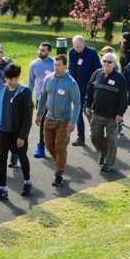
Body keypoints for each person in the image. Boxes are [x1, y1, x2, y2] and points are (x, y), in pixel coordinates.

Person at [37, 54, 82, 187]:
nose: (56, 67)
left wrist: (72, 122)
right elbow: (43, 97)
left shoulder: (71, 83)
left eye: (59, 65)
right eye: (54, 65)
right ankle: (60, 162)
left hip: (64, 120)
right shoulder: (48, 79)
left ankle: (59, 174)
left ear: (65, 66)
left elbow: (77, 103)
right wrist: (39, 114)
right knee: (49, 145)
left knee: (60, 146)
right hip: (49, 118)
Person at [85, 51, 129, 172]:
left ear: (114, 64)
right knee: (94, 137)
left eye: (109, 62)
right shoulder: (97, 73)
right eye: (104, 61)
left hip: (112, 116)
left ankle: (108, 163)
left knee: (112, 140)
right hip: (97, 113)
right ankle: (104, 152)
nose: (106, 63)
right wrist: (88, 106)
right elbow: (89, 91)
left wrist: (120, 114)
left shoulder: (120, 78)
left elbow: (123, 98)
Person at [0, 62, 33, 199]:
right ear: (5, 78)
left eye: (14, 78)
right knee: (2, 159)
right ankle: (1, 189)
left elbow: (28, 118)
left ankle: (28, 181)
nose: (11, 81)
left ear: (18, 77)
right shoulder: (2, 91)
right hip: (4, 131)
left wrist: (22, 136)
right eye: (8, 78)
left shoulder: (24, 92)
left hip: (19, 133)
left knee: (22, 157)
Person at [67, 35, 100, 147]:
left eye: (79, 47)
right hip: (76, 87)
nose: (77, 49)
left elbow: (98, 70)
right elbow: (71, 68)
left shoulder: (91, 53)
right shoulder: (71, 52)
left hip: (89, 87)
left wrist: (95, 85)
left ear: (84, 44)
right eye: (75, 47)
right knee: (77, 111)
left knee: (88, 111)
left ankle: (96, 133)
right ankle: (81, 138)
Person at [27, 42, 54, 159]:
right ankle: (41, 146)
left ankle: (51, 143)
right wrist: (28, 97)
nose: (40, 52)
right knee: (42, 123)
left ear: (49, 52)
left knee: (52, 122)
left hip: (53, 99)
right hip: (40, 99)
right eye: (39, 49)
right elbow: (31, 82)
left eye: (43, 50)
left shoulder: (54, 63)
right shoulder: (34, 64)